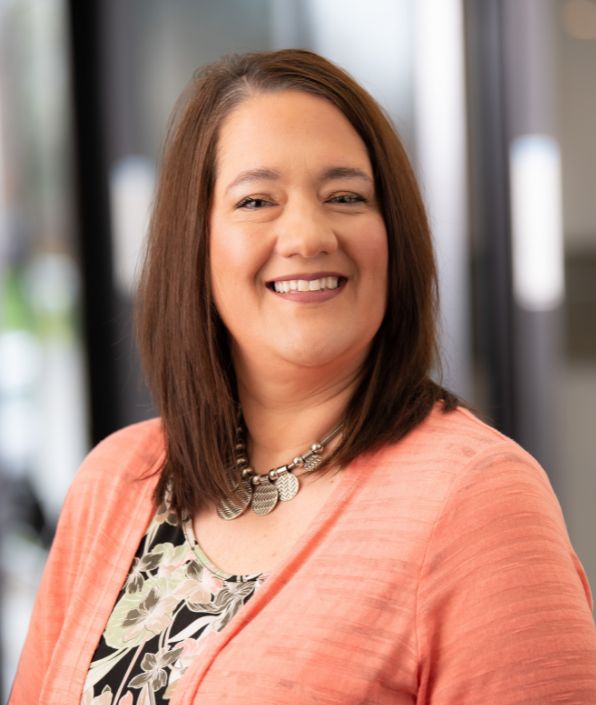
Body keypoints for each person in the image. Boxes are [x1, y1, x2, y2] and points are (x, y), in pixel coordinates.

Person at [10, 49, 596, 705]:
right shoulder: (118, 478)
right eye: (257, 200)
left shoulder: (480, 498)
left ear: (392, 235)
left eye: (346, 196)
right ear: (195, 244)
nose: (308, 235)